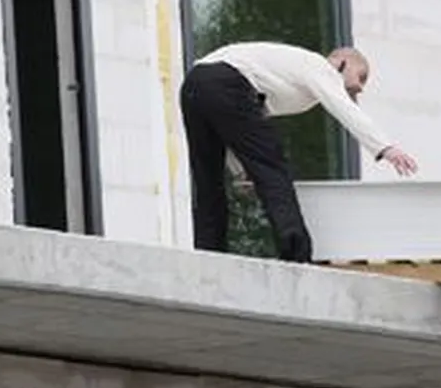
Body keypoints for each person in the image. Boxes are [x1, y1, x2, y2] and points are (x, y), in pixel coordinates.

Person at [179, 41, 418, 262]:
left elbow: (239, 132)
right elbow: (344, 110)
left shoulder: (289, 76)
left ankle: (208, 254)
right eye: (360, 77)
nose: (357, 90)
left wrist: (241, 172)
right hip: (228, 82)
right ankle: (296, 253)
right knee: (274, 170)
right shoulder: (319, 66)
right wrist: (385, 147)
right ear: (340, 62)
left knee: (207, 178)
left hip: (194, 84)